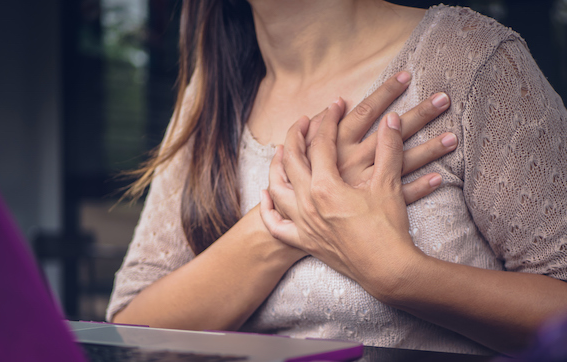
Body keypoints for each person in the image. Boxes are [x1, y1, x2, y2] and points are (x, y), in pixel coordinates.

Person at [106, 0, 567, 356]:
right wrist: (284, 222)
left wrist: (400, 277)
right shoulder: (209, 98)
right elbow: (130, 332)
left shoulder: (468, 58)